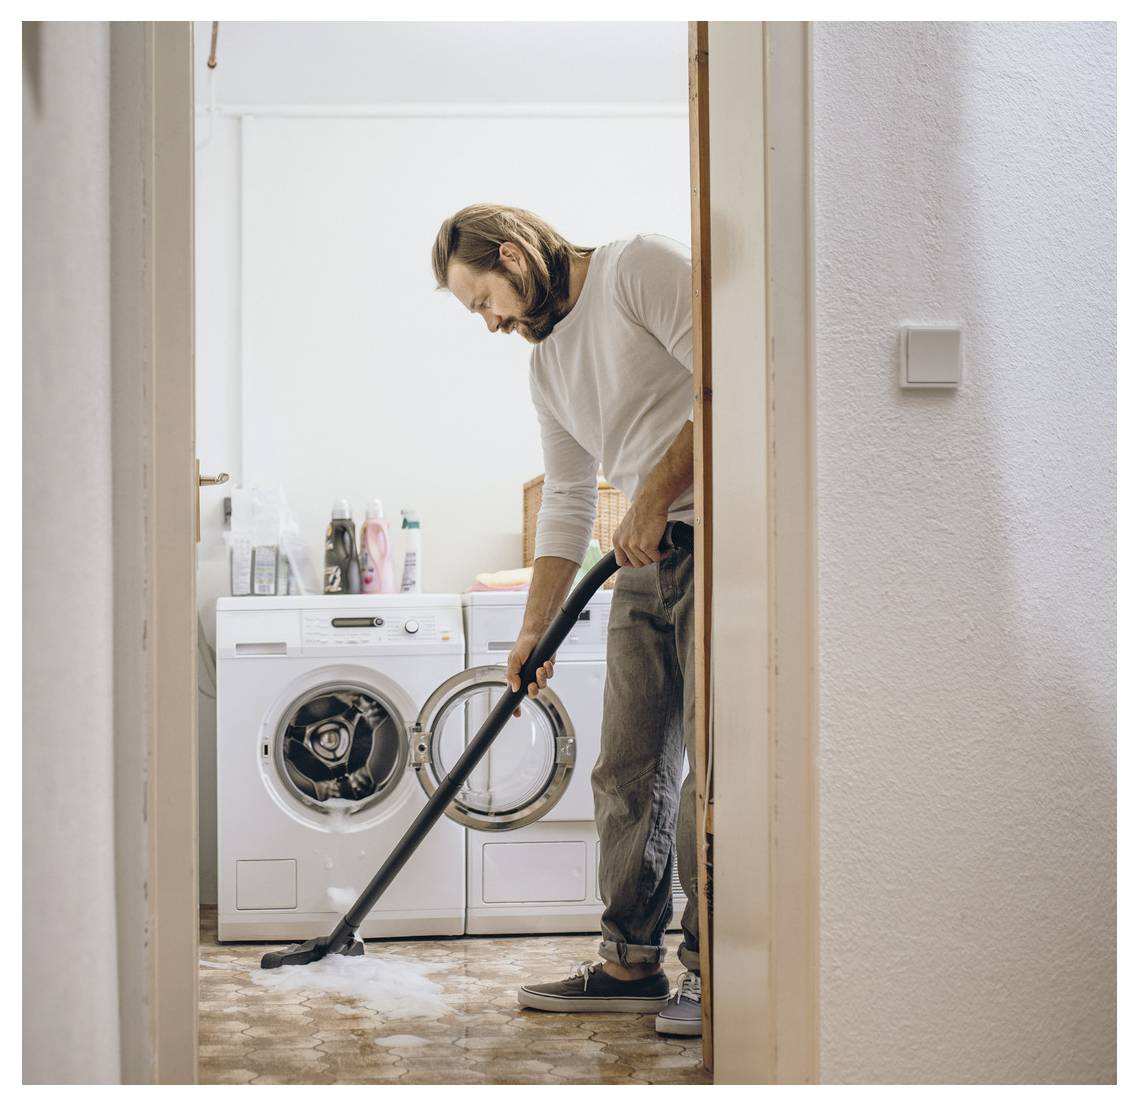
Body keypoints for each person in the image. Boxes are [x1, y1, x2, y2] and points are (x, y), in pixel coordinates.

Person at [431, 204, 701, 1037]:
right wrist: (530, 633)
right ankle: (629, 962)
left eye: (484, 300)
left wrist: (654, 495)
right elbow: (568, 507)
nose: (489, 323)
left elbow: (731, 382)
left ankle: (716, 974)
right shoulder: (547, 368)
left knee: (715, 779)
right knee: (626, 771)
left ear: (513, 256)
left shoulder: (638, 269)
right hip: (638, 569)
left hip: (721, 547)